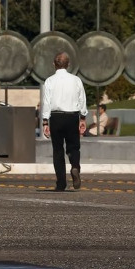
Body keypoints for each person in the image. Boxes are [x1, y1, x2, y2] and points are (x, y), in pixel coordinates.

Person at [42, 52, 88, 191]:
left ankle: (61, 182)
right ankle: (75, 167)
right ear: (68, 64)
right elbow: (82, 99)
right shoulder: (76, 80)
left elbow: (46, 102)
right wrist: (83, 118)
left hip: (56, 117)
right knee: (74, 147)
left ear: (54, 64)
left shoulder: (49, 81)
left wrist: (45, 122)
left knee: (57, 150)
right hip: (72, 116)